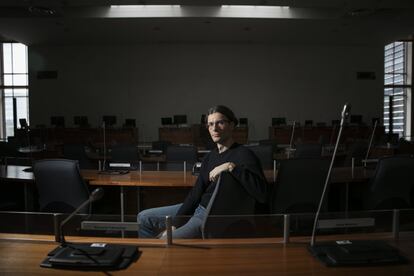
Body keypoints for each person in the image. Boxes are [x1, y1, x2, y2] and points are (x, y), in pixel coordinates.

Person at [137, 105, 267, 238]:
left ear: (232, 125)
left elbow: (262, 194)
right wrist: (175, 223)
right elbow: (196, 193)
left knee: (166, 241)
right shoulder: (209, 157)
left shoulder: (244, 154)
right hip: (198, 207)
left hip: (210, 215)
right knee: (143, 218)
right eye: (210, 124)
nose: (214, 128)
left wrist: (231, 167)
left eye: (220, 123)